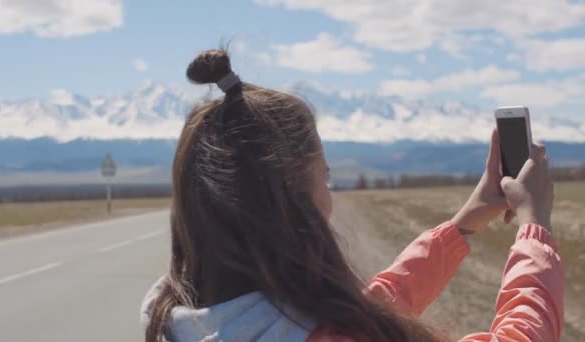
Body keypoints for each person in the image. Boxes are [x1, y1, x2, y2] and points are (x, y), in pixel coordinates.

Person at [141, 49, 564, 342]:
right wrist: (534, 229)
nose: (328, 196)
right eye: (322, 177)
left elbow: (366, 312)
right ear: (288, 200)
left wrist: (461, 225)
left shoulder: (178, 319)